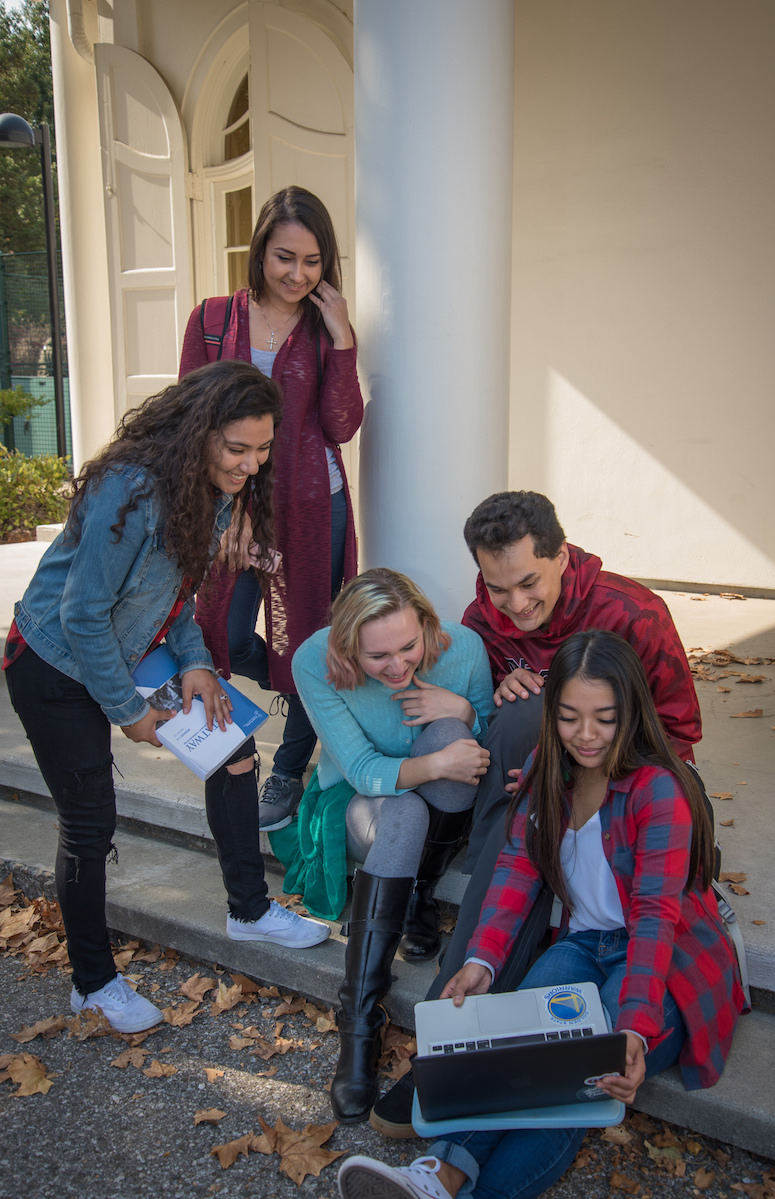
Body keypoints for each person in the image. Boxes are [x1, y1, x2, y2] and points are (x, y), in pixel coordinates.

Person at [339, 630, 747, 1199]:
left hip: (666, 959)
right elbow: (517, 867)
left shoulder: (659, 790)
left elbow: (655, 917)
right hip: (584, 944)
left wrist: (634, 1026)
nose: (586, 735)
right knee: (515, 1047)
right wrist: (482, 958)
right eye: (570, 717)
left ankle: (463, 1187)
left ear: (631, 710)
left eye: (604, 718)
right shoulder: (548, 768)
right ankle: (439, 1174)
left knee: (573, 1074)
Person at [4, 360, 329, 1036]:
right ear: (197, 432)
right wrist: (129, 712)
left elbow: (174, 598)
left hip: (128, 648)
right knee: (90, 824)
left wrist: (196, 664)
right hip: (55, 665)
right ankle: (92, 983)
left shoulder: (206, 489)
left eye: (262, 449)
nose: (249, 465)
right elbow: (82, 613)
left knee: (235, 751)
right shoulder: (127, 489)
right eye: (237, 448)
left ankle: (248, 911)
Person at [371, 488, 705, 1134]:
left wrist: (592, 773)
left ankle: (468, 1012)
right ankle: (462, 1014)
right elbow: (493, 735)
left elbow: (681, 734)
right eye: (499, 590)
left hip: (630, 786)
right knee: (519, 729)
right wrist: (498, 701)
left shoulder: (632, 612)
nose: (516, 605)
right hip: (535, 796)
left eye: (528, 582)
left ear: (560, 555)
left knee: (530, 735)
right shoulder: (483, 619)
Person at [179, 185, 363, 833]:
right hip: (233, 510)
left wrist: (342, 338)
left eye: (313, 261)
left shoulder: (323, 328)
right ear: (260, 251)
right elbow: (190, 419)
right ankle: (292, 693)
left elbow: (342, 424)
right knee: (221, 638)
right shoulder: (211, 318)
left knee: (313, 645)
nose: (297, 274)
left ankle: (287, 771)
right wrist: (224, 511)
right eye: (285, 257)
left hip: (315, 509)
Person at [285, 568, 494, 1123]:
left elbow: (484, 745)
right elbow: (358, 767)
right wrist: (433, 765)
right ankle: (359, 1021)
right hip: (362, 801)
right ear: (347, 646)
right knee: (404, 810)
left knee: (453, 736)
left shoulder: (463, 647)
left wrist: (466, 713)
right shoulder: (313, 661)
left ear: (427, 625)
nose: (398, 667)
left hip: (444, 802)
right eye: (377, 658)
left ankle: (419, 893)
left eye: (409, 646)